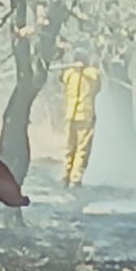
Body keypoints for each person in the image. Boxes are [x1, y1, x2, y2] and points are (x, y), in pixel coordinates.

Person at [60, 54, 102, 188]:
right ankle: (73, 178)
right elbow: (97, 83)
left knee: (72, 148)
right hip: (84, 116)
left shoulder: (72, 73)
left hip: (73, 116)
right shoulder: (83, 74)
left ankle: (68, 176)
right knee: (79, 148)